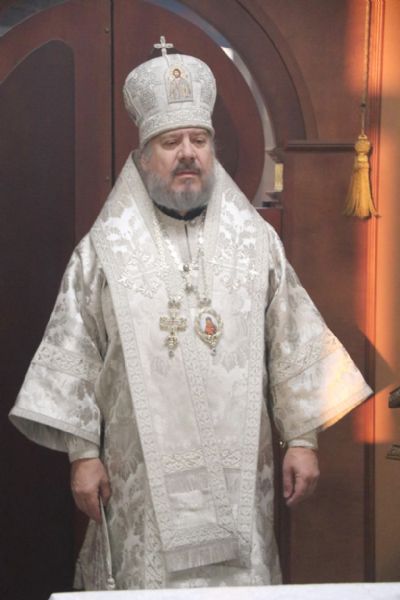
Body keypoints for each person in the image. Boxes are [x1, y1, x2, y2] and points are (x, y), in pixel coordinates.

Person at [9, 37, 372, 590]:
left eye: (199, 140)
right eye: (170, 141)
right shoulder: (104, 251)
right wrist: (83, 455)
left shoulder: (255, 243)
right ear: (143, 156)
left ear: (212, 149)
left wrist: (302, 440)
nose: (188, 153)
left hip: (240, 490)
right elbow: (75, 356)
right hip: (142, 492)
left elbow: (291, 339)